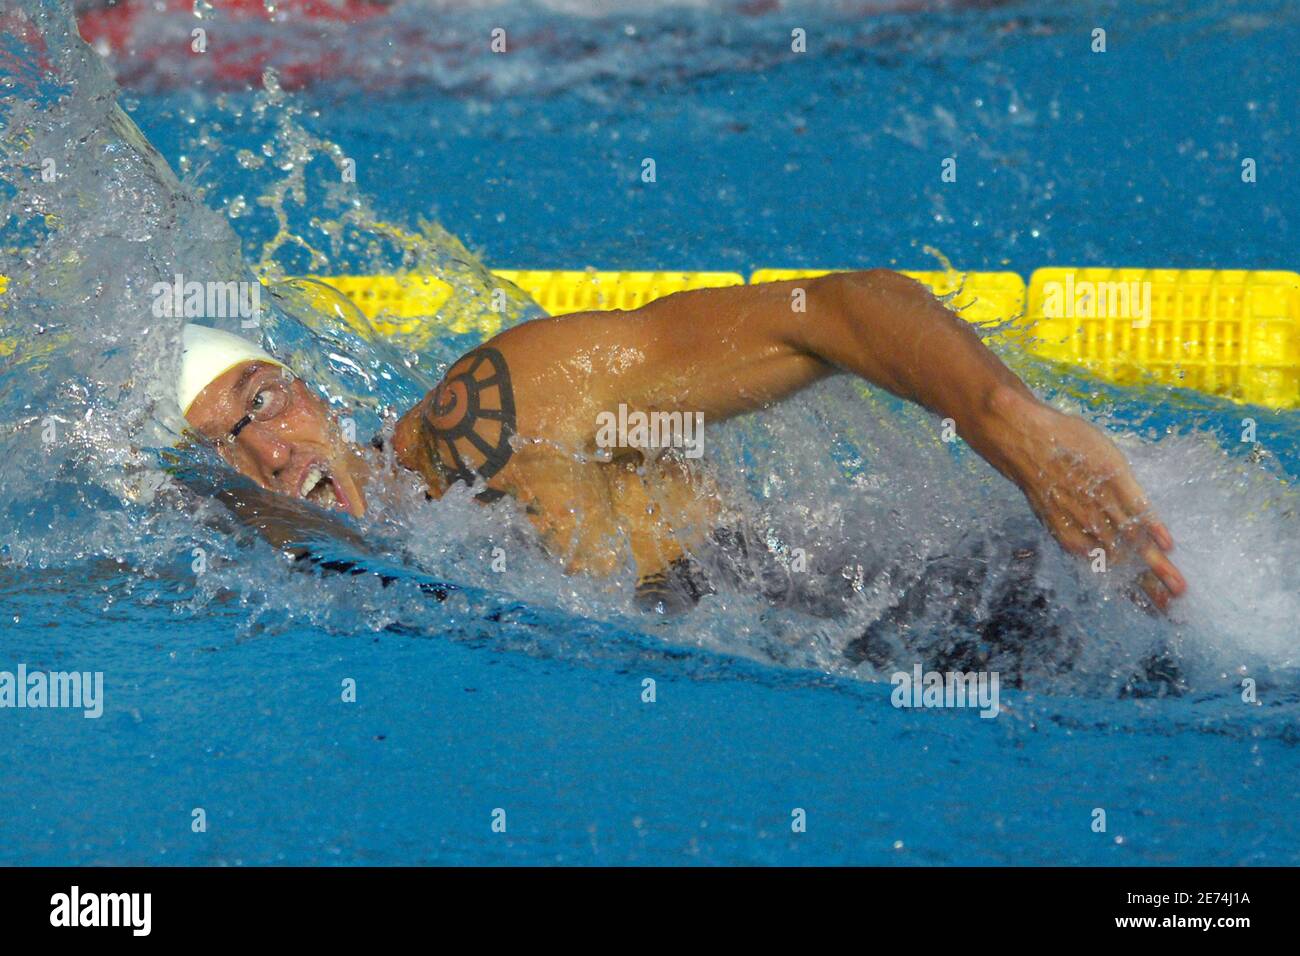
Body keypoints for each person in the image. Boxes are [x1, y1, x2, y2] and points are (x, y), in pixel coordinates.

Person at [176, 269, 1187, 613]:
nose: (269, 450)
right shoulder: (303, 571)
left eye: (263, 398)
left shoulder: (490, 418)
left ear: (310, 388)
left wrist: (1011, 425)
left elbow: (832, 307)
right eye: (223, 444)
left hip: (980, 594)